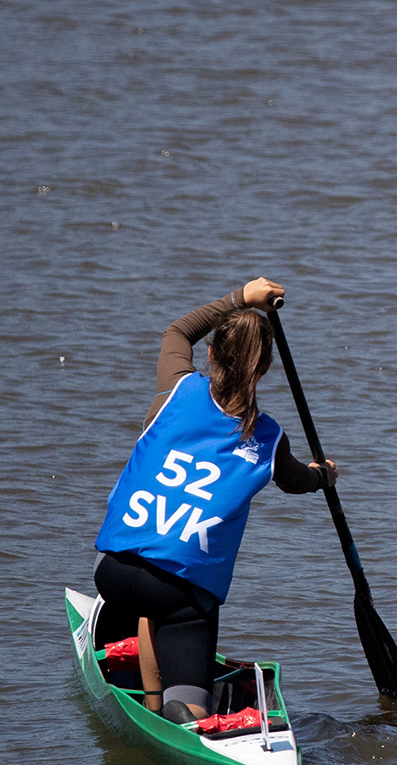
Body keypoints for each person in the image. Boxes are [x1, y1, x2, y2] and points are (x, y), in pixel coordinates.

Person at [92, 278, 335, 723]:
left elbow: (177, 331)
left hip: (113, 572)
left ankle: (150, 700)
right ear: (263, 370)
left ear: (210, 352)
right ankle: (181, 710)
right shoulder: (268, 437)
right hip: (179, 593)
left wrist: (239, 297)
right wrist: (324, 476)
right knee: (180, 625)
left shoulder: (175, 390)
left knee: (151, 602)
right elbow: (296, 481)